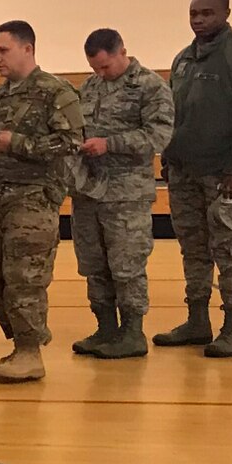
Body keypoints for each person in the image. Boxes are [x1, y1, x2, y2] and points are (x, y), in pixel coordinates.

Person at [154, 0, 232, 359]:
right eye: (193, 13)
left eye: (207, 12)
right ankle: (197, 320)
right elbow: (176, 113)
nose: (199, 19)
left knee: (228, 250)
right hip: (185, 171)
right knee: (193, 248)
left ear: (226, 13)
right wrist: (169, 153)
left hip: (223, 175)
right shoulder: (183, 59)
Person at [0, 21, 82, 383]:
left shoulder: (55, 91)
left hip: (33, 201)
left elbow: (70, 142)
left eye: (3, 51)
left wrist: (15, 143)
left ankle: (30, 352)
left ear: (27, 49)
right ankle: (20, 345)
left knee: (25, 279)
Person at [70, 29, 173, 359]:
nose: (100, 74)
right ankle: (105, 329)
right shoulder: (89, 87)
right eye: (94, 68)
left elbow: (158, 135)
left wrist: (109, 144)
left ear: (122, 52)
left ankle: (132, 333)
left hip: (126, 194)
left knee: (126, 266)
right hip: (89, 191)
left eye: (105, 67)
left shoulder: (150, 86)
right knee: (93, 264)